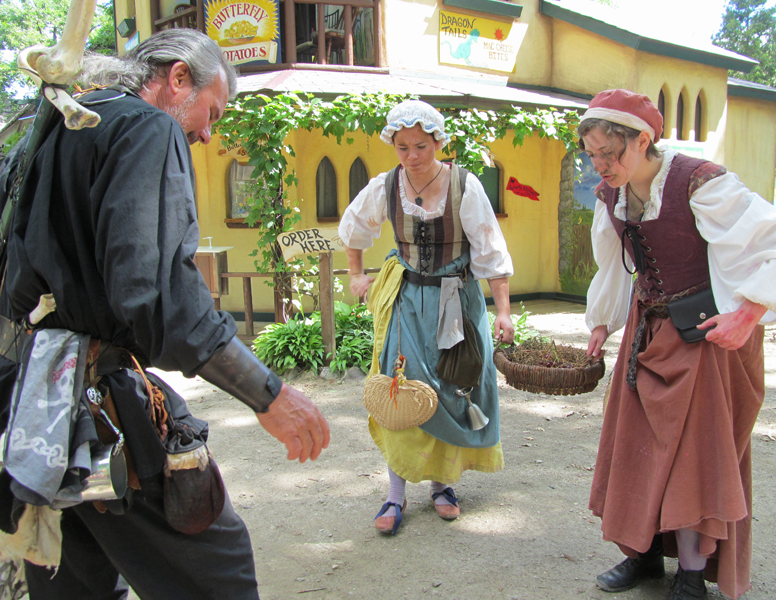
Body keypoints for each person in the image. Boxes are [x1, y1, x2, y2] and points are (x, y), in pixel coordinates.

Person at [0, 29, 329, 599]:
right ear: (178, 78)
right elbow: (157, 298)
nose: (207, 133)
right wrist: (270, 395)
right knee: (218, 574)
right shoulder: (144, 128)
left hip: (31, 410)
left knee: (76, 582)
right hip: (93, 404)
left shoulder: (46, 129)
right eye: (211, 112)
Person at [579, 89, 776, 600]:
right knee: (634, 448)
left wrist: (748, 314)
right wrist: (601, 324)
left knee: (691, 458)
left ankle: (692, 573)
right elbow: (612, 264)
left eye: (611, 154)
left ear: (645, 139)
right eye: (592, 154)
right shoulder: (610, 195)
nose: (601, 165)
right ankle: (643, 553)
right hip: (645, 330)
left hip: (703, 333)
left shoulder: (699, 183)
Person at [338, 99, 514, 535]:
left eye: (420, 146)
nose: (412, 156)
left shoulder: (464, 187)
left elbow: (491, 251)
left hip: (456, 303)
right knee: (399, 389)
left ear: (438, 142)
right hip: (407, 301)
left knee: (453, 388)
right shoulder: (386, 186)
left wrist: (504, 312)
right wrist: (357, 274)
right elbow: (354, 227)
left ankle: (441, 486)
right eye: (402, 147)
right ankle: (395, 493)